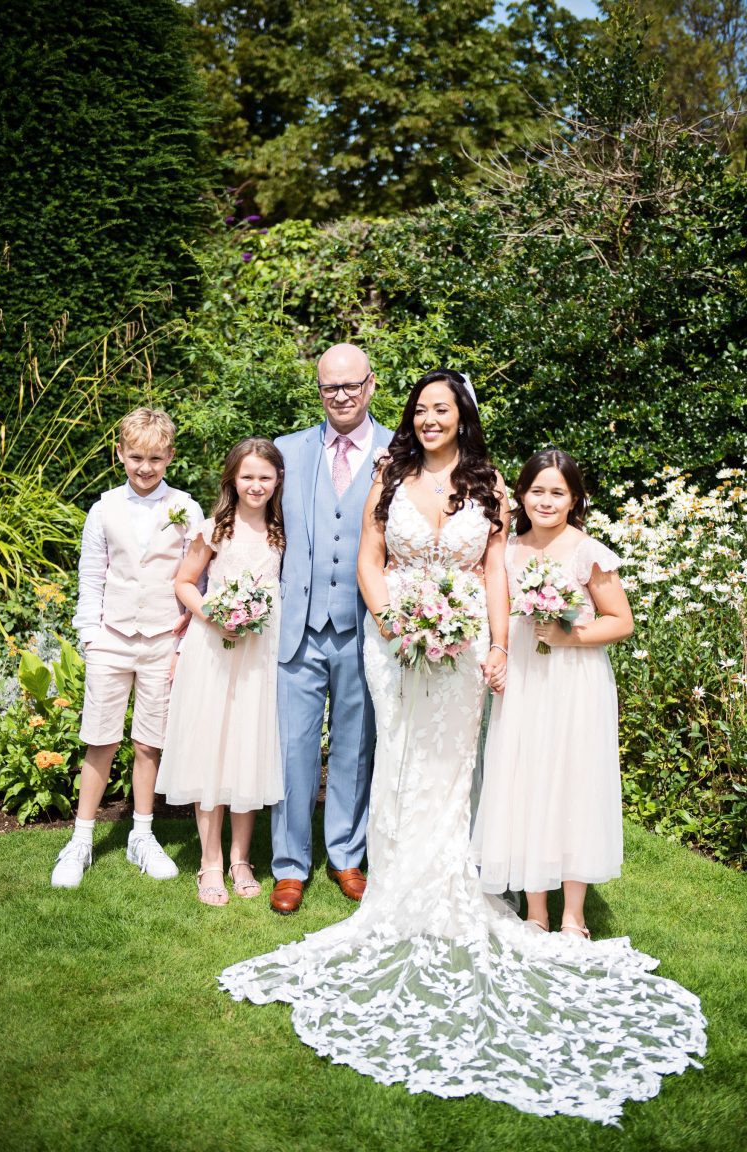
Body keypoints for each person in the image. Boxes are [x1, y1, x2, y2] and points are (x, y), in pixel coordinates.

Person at [218, 372, 705, 1123]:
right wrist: (392, 621)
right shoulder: (390, 472)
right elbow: (370, 560)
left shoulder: (491, 484)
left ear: (462, 416)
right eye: (421, 410)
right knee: (396, 757)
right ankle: (391, 883)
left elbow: (493, 573)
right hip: (394, 640)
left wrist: (498, 646)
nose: (430, 419)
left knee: (453, 763)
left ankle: (453, 877)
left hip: (466, 639)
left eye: (442, 409)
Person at [471, 448, 632, 935]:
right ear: (521, 495)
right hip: (525, 680)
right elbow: (497, 616)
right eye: (537, 491)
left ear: (574, 499)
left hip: (575, 682)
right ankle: (536, 910)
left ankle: (574, 915)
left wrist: (570, 637)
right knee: (527, 781)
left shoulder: (587, 552)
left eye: (557, 493)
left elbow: (621, 621)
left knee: (573, 783)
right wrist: (498, 657)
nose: (546, 501)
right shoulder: (507, 552)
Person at [51, 408, 204, 889]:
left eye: (155, 458)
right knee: (100, 738)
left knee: (148, 742)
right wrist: (90, 636)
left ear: (170, 457)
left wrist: (183, 642)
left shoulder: (186, 508)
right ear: (120, 454)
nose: (145, 467)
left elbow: (197, 577)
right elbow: (91, 575)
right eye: (136, 457)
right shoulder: (103, 509)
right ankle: (81, 839)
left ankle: (142, 834)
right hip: (112, 639)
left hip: (163, 640)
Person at [269, 343, 392, 914]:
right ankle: (289, 865)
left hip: (364, 627)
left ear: (370, 385)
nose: (340, 396)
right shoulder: (287, 451)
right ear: (318, 390)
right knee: (292, 749)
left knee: (355, 747)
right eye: (329, 387)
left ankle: (346, 855)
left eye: (351, 385)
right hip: (298, 626)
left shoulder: (400, 451)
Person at [155, 439, 285, 905]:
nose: (256, 485)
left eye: (265, 477)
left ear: (277, 481)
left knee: (247, 749)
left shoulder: (282, 531)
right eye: (247, 476)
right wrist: (213, 613)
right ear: (232, 478)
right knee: (211, 750)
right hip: (214, 649)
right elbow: (185, 582)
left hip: (259, 654)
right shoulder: (214, 529)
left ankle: (240, 859)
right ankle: (209, 862)